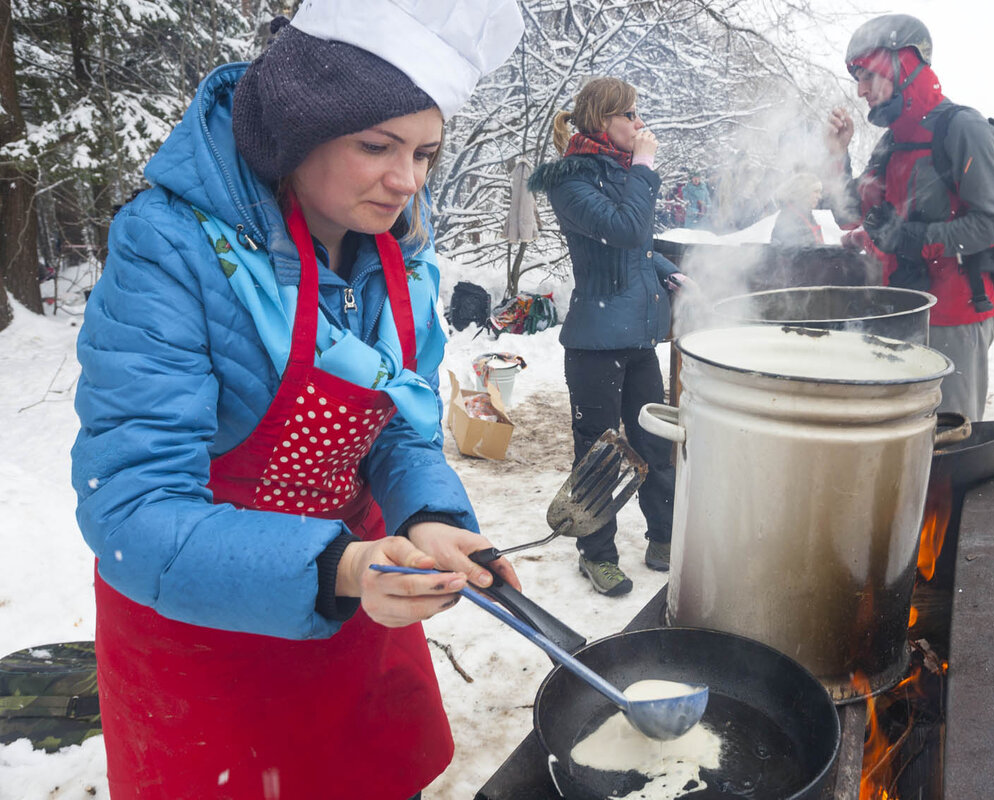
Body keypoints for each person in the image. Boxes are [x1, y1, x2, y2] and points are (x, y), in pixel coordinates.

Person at [70, 2, 524, 798]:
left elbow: (398, 427)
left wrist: (435, 520)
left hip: (360, 608)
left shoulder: (400, 259)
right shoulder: (172, 247)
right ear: (296, 127)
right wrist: (339, 568)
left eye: (424, 151)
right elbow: (131, 507)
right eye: (376, 145)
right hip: (202, 625)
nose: (406, 180)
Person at [527, 77, 682, 596]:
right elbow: (624, 229)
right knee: (598, 453)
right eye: (630, 115)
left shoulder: (618, 173)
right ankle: (597, 555)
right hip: (595, 343)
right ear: (602, 121)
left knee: (655, 444)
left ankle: (663, 537)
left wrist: (666, 269)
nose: (639, 124)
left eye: (638, 114)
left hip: (638, 339)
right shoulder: (570, 181)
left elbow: (634, 247)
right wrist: (643, 168)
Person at [824, 13, 994, 422]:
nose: (860, 90)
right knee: (900, 438)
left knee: (949, 441)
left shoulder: (963, 127)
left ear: (903, 63)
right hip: (900, 310)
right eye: (857, 77)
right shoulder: (893, 140)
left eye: (867, 74)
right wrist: (838, 155)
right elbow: (848, 215)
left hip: (955, 316)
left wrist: (908, 237)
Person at [770, 171, 826, 247]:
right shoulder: (789, 218)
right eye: (816, 192)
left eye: (820, 192)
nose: (819, 197)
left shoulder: (807, 214)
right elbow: (796, 253)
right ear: (802, 192)